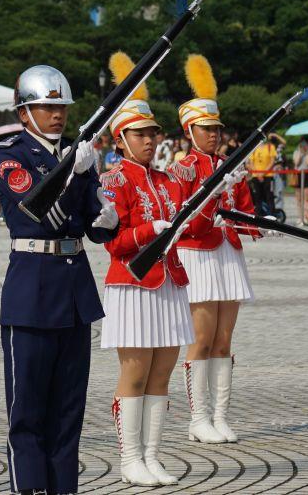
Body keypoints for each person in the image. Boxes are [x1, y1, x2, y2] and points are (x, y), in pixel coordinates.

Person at [0, 65, 118, 495]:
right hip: (32, 292)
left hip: (73, 292)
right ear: (25, 112)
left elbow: (88, 225)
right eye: (46, 107)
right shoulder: (12, 156)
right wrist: (75, 175)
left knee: (69, 410)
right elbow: (42, 213)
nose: (56, 114)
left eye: (61, 106)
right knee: (27, 411)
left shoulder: (78, 154)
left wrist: (107, 219)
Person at [97, 60, 203, 486]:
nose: (150, 140)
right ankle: (129, 458)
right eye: (141, 134)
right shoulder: (113, 180)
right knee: (136, 372)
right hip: (133, 284)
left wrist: (215, 195)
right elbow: (112, 243)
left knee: (162, 373)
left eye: (153, 133)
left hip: (170, 282)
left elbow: (191, 228)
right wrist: (147, 231)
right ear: (120, 139)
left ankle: (153, 454)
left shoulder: (169, 181)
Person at [170, 54, 261, 445]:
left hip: (227, 252)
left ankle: (221, 415)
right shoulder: (183, 168)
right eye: (206, 128)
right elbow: (183, 219)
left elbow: (246, 211)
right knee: (201, 340)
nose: (214, 134)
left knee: (224, 341)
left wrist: (249, 220)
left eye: (217, 128)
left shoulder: (230, 163)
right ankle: (198, 417)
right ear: (190, 130)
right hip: (199, 253)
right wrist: (215, 203)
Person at [247, 133, 280, 216]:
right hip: (256, 176)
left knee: (269, 196)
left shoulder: (270, 147)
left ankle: (271, 215)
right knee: (257, 197)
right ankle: (258, 215)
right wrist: (258, 174)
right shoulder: (254, 149)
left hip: (268, 176)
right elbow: (251, 163)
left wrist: (263, 173)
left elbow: (272, 162)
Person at [292, 140, 308, 221]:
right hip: (298, 175)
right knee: (299, 198)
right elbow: (296, 163)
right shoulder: (296, 152)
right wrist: (300, 153)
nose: (304, 146)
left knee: (306, 198)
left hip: (307, 174)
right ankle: (300, 217)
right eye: (302, 144)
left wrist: (307, 152)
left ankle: (306, 216)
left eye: (305, 144)